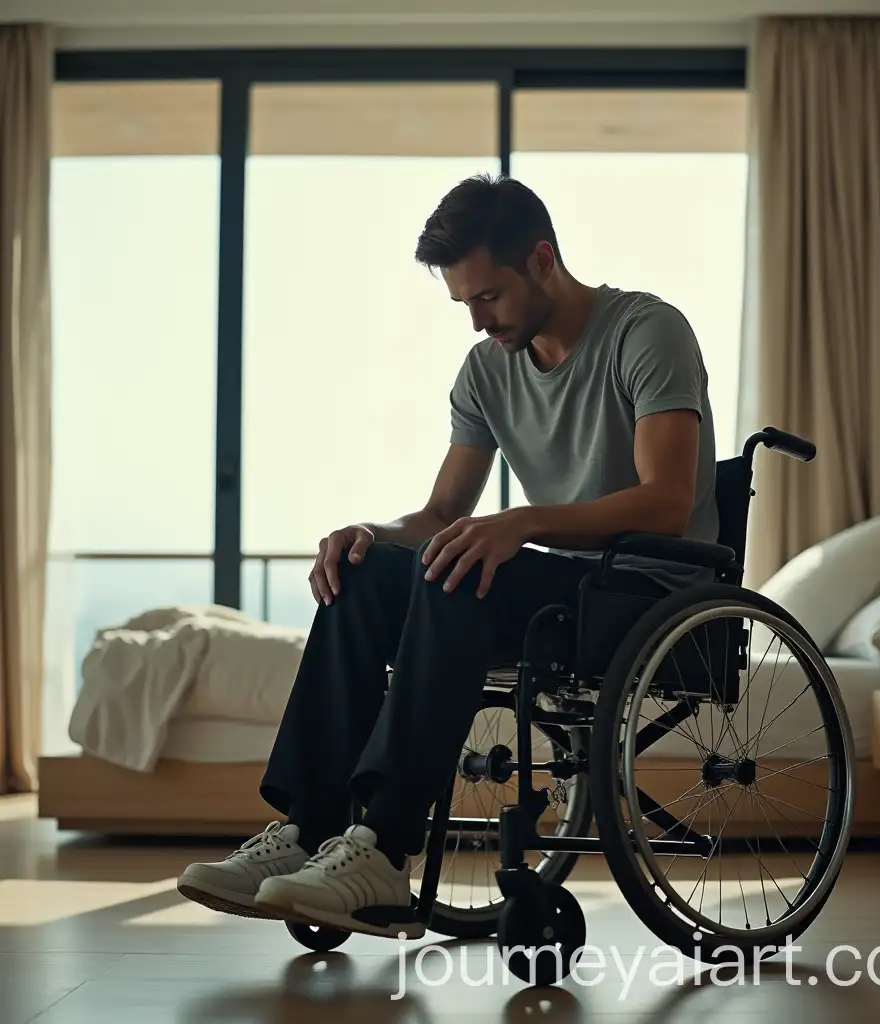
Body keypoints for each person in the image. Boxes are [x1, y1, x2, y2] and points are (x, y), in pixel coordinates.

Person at [176, 173, 718, 939]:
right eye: (464, 303)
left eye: (488, 297)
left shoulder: (646, 331)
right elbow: (438, 514)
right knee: (366, 573)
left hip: (646, 589)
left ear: (541, 260)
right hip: (561, 579)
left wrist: (517, 523)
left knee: (460, 569)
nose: (475, 322)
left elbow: (667, 502)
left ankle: (384, 848)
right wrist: (369, 531)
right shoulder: (488, 369)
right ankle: (309, 827)